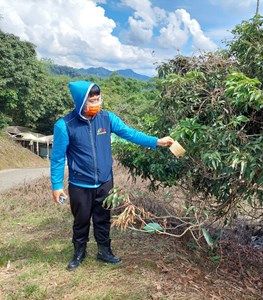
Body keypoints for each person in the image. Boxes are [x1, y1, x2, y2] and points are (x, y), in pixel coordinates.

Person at [50, 80, 174, 271]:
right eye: (91, 100)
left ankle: (104, 251)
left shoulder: (107, 118)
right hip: (79, 184)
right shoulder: (64, 125)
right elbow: (57, 158)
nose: (96, 104)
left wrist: (156, 141)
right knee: (81, 220)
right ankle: (79, 252)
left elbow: (129, 133)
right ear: (80, 101)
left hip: (105, 182)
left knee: (103, 217)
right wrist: (56, 186)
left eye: (98, 99)